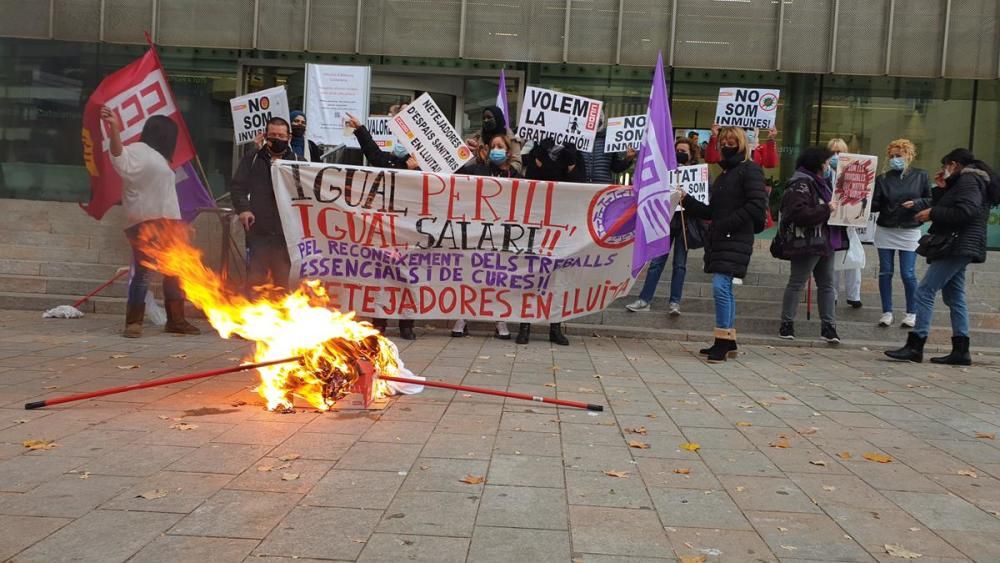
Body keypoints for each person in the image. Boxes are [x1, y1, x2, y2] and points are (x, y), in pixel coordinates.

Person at [885, 149, 993, 364]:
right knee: (954, 296)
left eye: (946, 166)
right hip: (960, 245)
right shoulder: (965, 181)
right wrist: (943, 188)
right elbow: (953, 206)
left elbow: (965, 211)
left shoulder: (969, 180)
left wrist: (932, 213)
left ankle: (916, 344)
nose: (944, 170)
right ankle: (961, 350)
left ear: (953, 164)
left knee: (924, 291)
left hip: (957, 244)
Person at [101, 107, 200, 338]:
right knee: (144, 272)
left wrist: (181, 226)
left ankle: (176, 320)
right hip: (146, 222)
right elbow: (118, 156)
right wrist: (114, 128)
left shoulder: (161, 159)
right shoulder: (139, 150)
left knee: (175, 271)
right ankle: (133, 322)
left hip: (169, 222)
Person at [679, 127, 768, 363]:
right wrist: (686, 201)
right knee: (723, 288)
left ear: (741, 144)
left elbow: (757, 204)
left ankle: (723, 340)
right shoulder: (725, 174)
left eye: (732, 141)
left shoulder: (749, 169)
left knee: (721, 286)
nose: (728, 144)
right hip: (721, 237)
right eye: (724, 141)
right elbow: (712, 212)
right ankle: (726, 340)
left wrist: (726, 224)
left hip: (735, 237)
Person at [345, 113, 420, 340]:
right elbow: (374, 155)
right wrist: (360, 129)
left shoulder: (427, 165)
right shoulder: (389, 162)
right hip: (386, 232)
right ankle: (379, 321)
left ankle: (407, 324)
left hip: (413, 233)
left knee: (409, 280)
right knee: (382, 279)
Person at [626, 137, 706, 315]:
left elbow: (702, 203)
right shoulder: (664, 172)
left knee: (680, 264)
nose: (680, 154)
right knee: (656, 263)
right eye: (678, 150)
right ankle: (644, 299)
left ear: (692, 155)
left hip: (684, 222)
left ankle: (674, 302)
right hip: (665, 221)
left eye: (684, 151)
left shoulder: (698, 175)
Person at [451, 134, 520, 340]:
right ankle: (462, 318)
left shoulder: (514, 174)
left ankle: (500, 320)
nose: (495, 149)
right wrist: (467, 156)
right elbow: (456, 175)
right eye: (492, 146)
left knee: (498, 277)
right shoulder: (479, 169)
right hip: (478, 231)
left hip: (503, 232)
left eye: (500, 146)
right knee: (472, 274)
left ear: (508, 151)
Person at [516, 138, 584, 346]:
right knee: (531, 274)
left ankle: (555, 327)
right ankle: (524, 326)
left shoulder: (573, 152)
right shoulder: (538, 150)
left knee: (558, 277)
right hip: (537, 222)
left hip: (562, 224)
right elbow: (532, 181)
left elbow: (578, 184)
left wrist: (571, 160)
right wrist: (542, 154)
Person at [775, 147, 845, 344]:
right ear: (818, 164)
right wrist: (826, 209)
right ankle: (787, 323)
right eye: (826, 162)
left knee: (827, 285)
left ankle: (828, 326)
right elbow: (798, 213)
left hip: (824, 241)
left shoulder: (822, 183)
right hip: (807, 242)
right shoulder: (801, 184)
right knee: (798, 282)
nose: (829, 165)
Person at [231, 117, 303, 296]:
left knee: (283, 283)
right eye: (273, 135)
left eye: (281, 135)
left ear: (289, 137)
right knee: (255, 282)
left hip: (285, 236)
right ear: (265, 135)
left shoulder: (298, 162)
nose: (277, 138)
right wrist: (243, 209)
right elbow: (238, 186)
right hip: (258, 233)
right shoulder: (253, 158)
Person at [871, 139, 930, 328]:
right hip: (886, 228)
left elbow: (930, 199)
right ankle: (886, 312)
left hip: (909, 228)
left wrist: (917, 203)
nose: (895, 159)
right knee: (885, 271)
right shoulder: (883, 178)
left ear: (909, 156)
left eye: (899, 155)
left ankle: (911, 312)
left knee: (908, 273)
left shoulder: (921, 176)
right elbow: (875, 204)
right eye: (892, 156)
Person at [827, 138, 863, 309]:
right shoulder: (824, 173)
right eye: (832, 152)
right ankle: (832, 294)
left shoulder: (853, 173)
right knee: (833, 260)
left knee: (853, 259)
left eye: (839, 152)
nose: (836, 156)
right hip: (830, 221)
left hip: (848, 221)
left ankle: (853, 295)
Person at [465, 106, 523, 175]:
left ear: (497, 118)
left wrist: (503, 170)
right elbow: (466, 165)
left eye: (489, 117)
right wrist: (476, 158)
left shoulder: (511, 139)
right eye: (484, 118)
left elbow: (517, 165)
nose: (486, 120)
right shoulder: (477, 138)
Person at [581, 112, 637, 184]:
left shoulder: (610, 139)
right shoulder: (577, 138)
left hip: (603, 188)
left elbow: (616, 168)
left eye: (598, 118)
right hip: (580, 186)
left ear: (602, 120)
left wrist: (627, 160)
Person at [704, 124, 779, 168]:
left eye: (750, 129)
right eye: (742, 129)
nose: (745, 132)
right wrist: (714, 136)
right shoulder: (729, 148)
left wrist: (771, 139)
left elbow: (770, 164)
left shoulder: (759, 148)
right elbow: (711, 159)